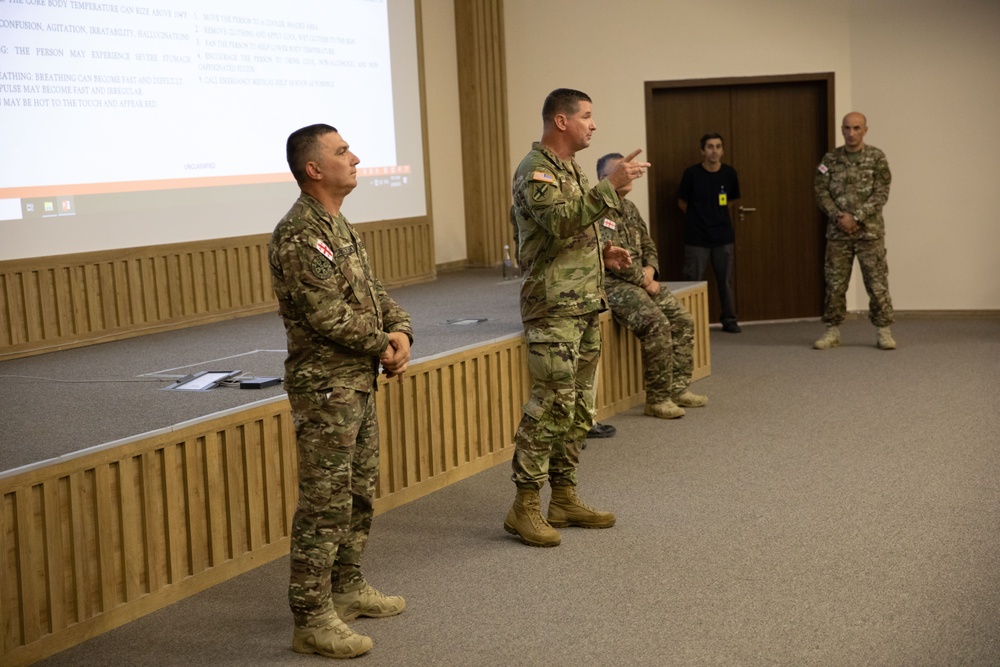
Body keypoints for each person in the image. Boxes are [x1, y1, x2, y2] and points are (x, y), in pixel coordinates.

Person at [269, 123, 413, 659]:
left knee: (357, 493)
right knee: (324, 503)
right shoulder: (299, 234)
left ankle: (347, 586)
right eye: (342, 151)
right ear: (314, 169)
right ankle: (310, 616)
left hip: (356, 380)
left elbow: (373, 292)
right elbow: (325, 314)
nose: (355, 158)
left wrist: (401, 332)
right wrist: (384, 344)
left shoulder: (338, 225)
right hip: (326, 387)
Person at [505, 88, 648, 548]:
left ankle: (563, 496)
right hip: (552, 308)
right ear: (561, 121)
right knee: (549, 403)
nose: (594, 124)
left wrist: (602, 251)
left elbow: (567, 233)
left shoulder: (570, 167)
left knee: (578, 406)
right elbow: (561, 220)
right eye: (586, 116)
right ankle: (523, 506)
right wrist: (612, 187)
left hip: (584, 301)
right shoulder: (536, 170)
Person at [597, 152, 708, 419]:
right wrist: (644, 279)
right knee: (657, 323)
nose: (631, 172)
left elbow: (647, 244)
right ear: (605, 178)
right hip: (614, 284)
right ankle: (657, 399)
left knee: (683, 320)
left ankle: (678, 389)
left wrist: (651, 270)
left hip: (642, 281)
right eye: (624, 169)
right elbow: (610, 258)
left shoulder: (630, 207)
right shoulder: (599, 209)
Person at [813, 112, 896, 350]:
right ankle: (832, 331)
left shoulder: (876, 157)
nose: (852, 133)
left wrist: (857, 217)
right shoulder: (829, 159)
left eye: (857, 128)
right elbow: (820, 191)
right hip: (838, 233)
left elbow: (881, 192)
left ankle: (883, 331)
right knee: (835, 283)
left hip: (870, 233)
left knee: (877, 282)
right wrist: (838, 216)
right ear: (842, 130)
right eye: (847, 128)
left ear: (865, 130)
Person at [677, 133, 742, 333]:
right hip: (696, 237)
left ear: (722, 150)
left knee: (725, 280)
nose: (714, 151)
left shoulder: (729, 173)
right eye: (710, 147)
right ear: (702, 151)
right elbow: (682, 202)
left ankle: (729, 319)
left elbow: (731, 200)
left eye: (718, 146)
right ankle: (690, 322)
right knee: (693, 281)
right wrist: (699, 218)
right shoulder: (691, 174)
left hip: (723, 237)